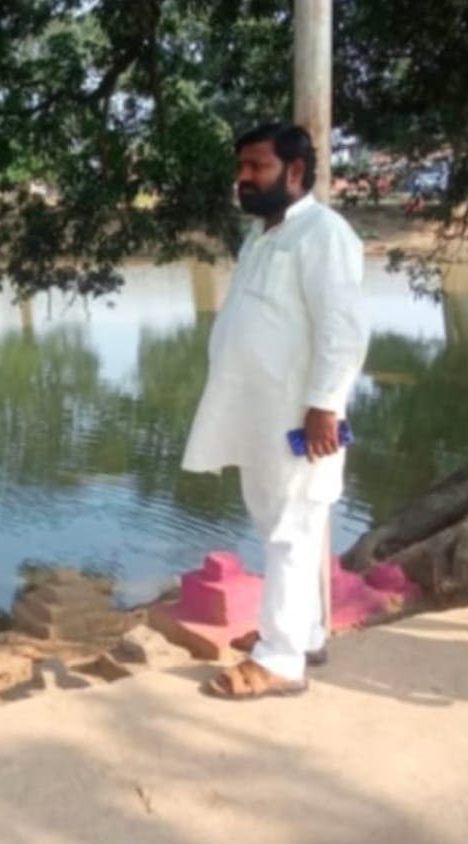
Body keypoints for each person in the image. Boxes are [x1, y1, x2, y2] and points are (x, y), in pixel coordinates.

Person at [181, 123, 369, 699]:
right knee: (284, 525)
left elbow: (343, 327)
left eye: (256, 167)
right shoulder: (263, 236)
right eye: (240, 168)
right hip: (259, 414)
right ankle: (302, 631)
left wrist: (325, 406)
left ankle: (282, 661)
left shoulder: (323, 233)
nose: (243, 179)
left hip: (299, 417)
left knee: (291, 526)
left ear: (294, 171)